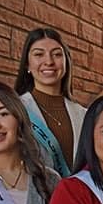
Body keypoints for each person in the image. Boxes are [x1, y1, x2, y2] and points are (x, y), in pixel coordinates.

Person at [15, 27, 86, 177]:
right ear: (27, 64)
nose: (49, 61)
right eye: (39, 54)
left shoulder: (83, 114)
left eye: (57, 54)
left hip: (76, 198)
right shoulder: (15, 110)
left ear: (66, 63)